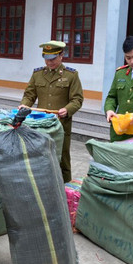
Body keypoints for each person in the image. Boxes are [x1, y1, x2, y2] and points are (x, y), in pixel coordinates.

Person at [19, 40, 84, 183]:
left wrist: (67, 110)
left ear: (61, 56)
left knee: (62, 158)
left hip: (61, 124)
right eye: (47, 59)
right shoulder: (38, 74)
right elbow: (29, 95)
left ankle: (65, 187)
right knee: (40, 156)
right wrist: (24, 105)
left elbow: (77, 99)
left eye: (53, 59)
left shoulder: (71, 75)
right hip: (41, 124)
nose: (50, 63)